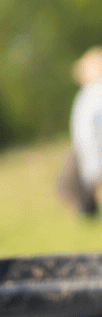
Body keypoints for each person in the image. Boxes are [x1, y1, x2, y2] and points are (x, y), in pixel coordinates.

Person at [58, 47, 102, 216]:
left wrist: (93, 166)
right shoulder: (92, 94)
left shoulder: (91, 96)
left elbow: (87, 134)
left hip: (93, 156)